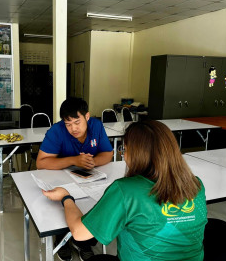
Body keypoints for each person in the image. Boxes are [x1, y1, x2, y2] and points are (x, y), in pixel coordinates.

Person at [43, 121, 208, 261]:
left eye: (125, 150)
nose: (124, 155)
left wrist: (66, 197)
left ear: (137, 154)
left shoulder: (126, 190)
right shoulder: (196, 185)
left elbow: (78, 233)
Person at [37, 97, 114, 261]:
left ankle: (83, 241)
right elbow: (41, 163)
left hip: (87, 179)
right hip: (59, 178)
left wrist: (93, 162)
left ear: (87, 116)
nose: (73, 128)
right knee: (62, 203)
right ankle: (62, 239)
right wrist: (73, 160)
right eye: (68, 124)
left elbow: (108, 153)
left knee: (94, 201)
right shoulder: (56, 131)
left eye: (77, 122)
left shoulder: (97, 126)